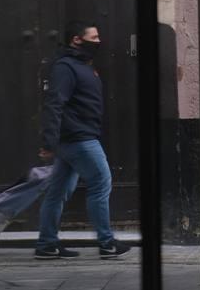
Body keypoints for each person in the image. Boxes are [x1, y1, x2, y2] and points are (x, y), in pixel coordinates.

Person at [34, 21, 131, 260]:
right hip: (79, 138)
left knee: (57, 191)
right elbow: (54, 103)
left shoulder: (80, 65)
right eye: (94, 37)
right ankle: (107, 243)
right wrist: (48, 142)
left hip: (73, 139)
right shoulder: (65, 67)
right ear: (77, 40)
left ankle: (47, 244)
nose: (98, 41)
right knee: (100, 182)